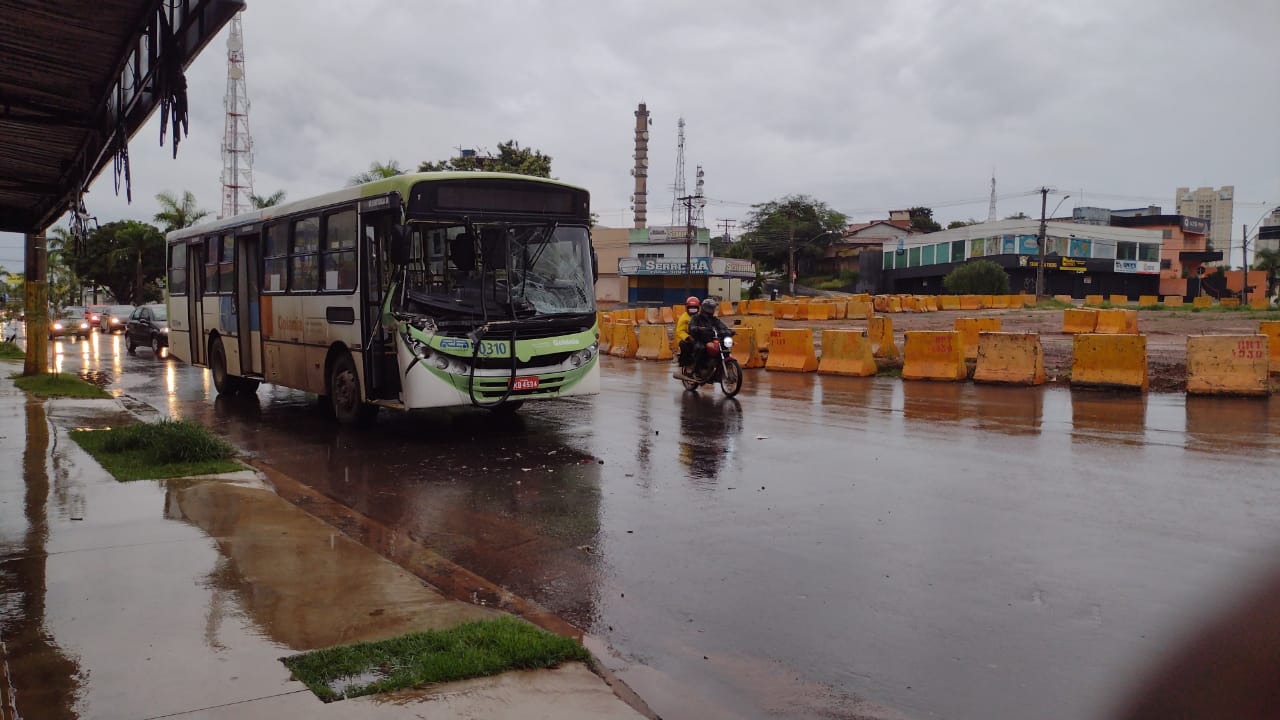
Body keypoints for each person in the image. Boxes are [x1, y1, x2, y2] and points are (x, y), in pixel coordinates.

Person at [688, 297, 732, 377]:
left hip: (712, 340)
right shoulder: (696, 317)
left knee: (723, 347)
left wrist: (729, 331)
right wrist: (698, 328)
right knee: (700, 348)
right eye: (709, 307)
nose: (711, 309)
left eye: (712, 308)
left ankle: (719, 369)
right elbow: (691, 327)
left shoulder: (714, 319)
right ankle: (696, 371)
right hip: (700, 339)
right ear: (704, 307)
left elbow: (722, 326)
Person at [675, 296, 699, 369]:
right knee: (685, 346)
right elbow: (679, 331)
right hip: (685, 338)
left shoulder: (699, 316)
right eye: (691, 308)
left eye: (694, 308)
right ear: (687, 308)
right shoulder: (684, 318)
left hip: (697, 336)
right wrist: (688, 337)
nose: (692, 310)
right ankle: (686, 363)